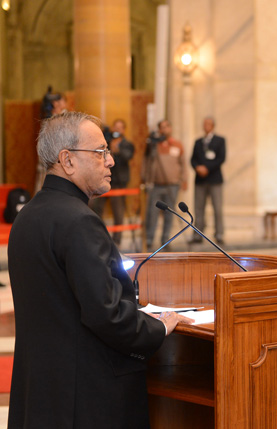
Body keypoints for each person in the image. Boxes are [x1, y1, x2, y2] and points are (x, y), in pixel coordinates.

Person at [7, 111, 192, 428]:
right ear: (68, 161)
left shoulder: (28, 216)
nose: (111, 161)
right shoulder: (79, 221)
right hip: (86, 396)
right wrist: (159, 327)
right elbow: (106, 315)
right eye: (100, 152)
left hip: (41, 391)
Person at [143, 119, 188, 249]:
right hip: (156, 184)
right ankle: (150, 238)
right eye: (161, 127)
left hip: (172, 185)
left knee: (170, 213)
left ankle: (166, 239)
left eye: (166, 127)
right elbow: (146, 162)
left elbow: (183, 163)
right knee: (152, 213)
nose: (164, 130)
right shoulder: (154, 145)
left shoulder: (177, 145)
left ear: (171, 128)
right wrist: (145, 178)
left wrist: (184, 179)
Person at [90, 119, 135, 246]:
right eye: (115, 127)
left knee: (118, 212)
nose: (117, 130)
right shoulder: (106, 141)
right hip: (103, 179)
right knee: (95, 207)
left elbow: (128, 156)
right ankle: (100, 236)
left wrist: (117, 150)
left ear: (124, 130)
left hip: (119, 182)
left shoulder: (127, 144)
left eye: (120, 128)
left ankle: (117, 241)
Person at [190, 117, 227, 245]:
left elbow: (221, 158)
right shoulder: (198, 142)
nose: (206, 126)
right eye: (204, 124)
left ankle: (219, 233)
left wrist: (207, 168)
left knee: (217, 208)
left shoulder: (220, 140)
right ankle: (198, 234)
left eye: (208, 124)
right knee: (199, 208)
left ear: (213, 126)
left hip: (215, 179)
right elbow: (193, 159)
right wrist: (197, 168)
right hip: (200, 180)